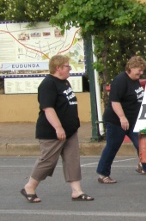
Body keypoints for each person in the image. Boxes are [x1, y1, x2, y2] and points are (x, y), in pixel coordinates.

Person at [21, 55, 94, 203]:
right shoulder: (48, 84)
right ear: (58, 68)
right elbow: (48, 108)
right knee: (47, 161)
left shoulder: (65, 82)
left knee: (72, 160)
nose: (70, 69)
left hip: (70, 130)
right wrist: (58, 127)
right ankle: (29, 187)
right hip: (52, 131)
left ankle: (77, 191)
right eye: (67, 66)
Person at [96, 56, 146, 184]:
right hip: (117, 121)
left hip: (133, 121)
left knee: (142, 144)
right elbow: (114, 101)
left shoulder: (134, 80)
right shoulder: (120, 80)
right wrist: (122, 117)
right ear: (131, 68)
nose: (141, 73)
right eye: (139, 70)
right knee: (112, 146)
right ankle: (103, 174)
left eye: (142, 70)